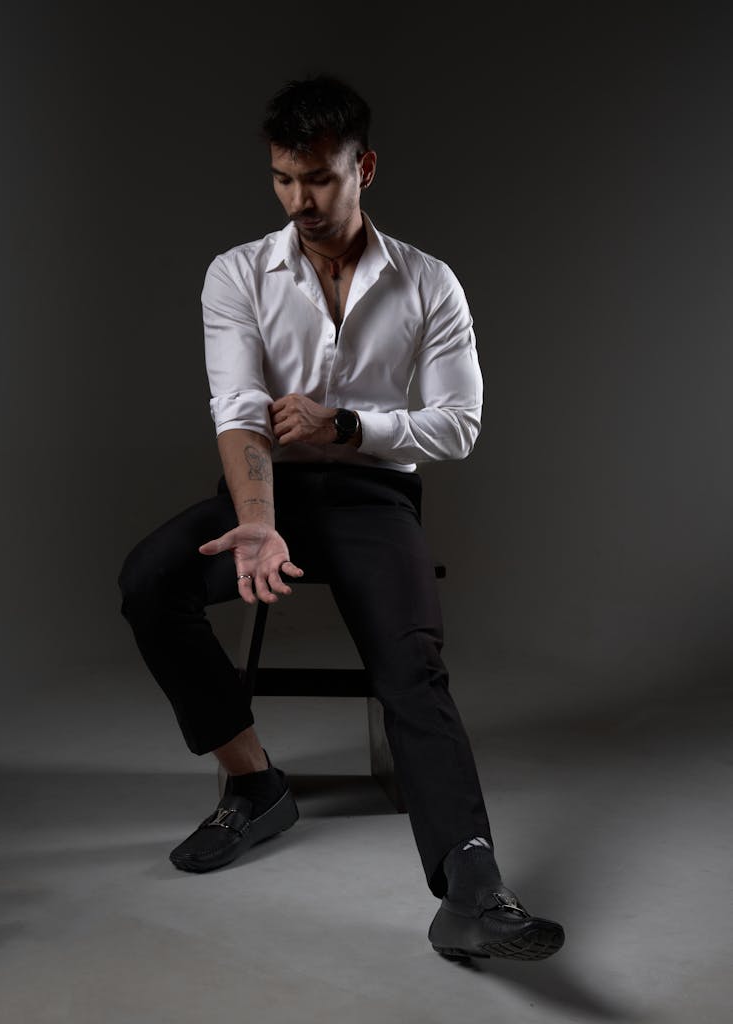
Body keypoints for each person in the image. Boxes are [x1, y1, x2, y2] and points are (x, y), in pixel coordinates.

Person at [117, 73, 565, 963]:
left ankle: (473, 891)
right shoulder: (237, 273)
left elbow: (459, 424)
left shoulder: (428, 282)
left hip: (371, 496)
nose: (299, 201)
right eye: (283, 179)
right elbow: (238, 409)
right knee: (148, 581)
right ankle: (254, 785)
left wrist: (349, 426)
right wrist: (257, 520)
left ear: (363, 168)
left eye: (318, 178)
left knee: (412, 666)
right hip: (266, 492)